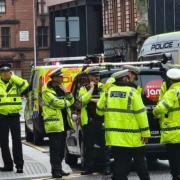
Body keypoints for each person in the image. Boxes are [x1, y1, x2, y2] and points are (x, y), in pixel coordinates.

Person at [96, 69, 151, 180]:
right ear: (125, 78)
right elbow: (141, 115)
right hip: (134, 138)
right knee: (141, 166)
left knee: (120, 167)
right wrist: (146, 133)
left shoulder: (108, 92)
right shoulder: (132, 92)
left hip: (115, 138)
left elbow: (99, 110)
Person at [42, 68, 74, 178]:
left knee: (61, 149)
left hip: (64, 123)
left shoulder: (61, 89)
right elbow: (55, 103)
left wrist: (66, 92)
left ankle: (59, 168)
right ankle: (55, 171)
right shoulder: (47, 90)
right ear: (55, 78)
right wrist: (67, 102)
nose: (62, 78)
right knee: (55, 149)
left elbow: (72, 100)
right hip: (54, 124)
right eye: (60, 77)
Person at [78, 66, 111, 175]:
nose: (97, 77)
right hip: (89, 121)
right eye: (94, 76)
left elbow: (105, 100)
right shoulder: (83, 88)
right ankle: (89, 168)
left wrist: (91, 99)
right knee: (89, 146)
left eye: (98, 75)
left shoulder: (103, 87)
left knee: (104, 145)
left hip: (101, 120)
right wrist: (91, 90)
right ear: (89, 77)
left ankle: (106, 167)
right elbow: (82, 101)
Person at [0, 63, 29, 173]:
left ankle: (19, 166)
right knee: (3, 142)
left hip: (14, 116)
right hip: (2, 116)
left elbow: (25, 85)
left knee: (17, 141)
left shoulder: (16, 82)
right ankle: (8, 165)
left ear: (10, 72)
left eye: (7, 72)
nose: (5, 74)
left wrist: (13, 77)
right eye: (3, 72)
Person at [153, 68, 180, 180]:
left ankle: (176, 176)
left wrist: (155, 112)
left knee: (174, 157)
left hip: (173, 133)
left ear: (170, 81)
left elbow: (160, 108)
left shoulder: (172, 92)